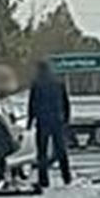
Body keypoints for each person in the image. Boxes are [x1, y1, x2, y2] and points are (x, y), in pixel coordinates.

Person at [27, 60, 73, 189]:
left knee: (42, 152)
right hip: (57, 120)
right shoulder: (58, 83)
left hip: (43, 121)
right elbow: (66, 103)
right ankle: (67, 176)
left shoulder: (37, 84)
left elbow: (32, 105)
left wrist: (30, 122)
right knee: (61, 149)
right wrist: (66, 120)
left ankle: (43, 180)